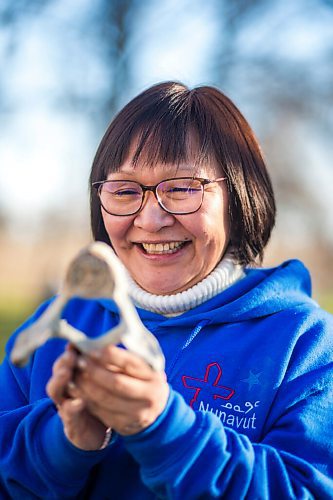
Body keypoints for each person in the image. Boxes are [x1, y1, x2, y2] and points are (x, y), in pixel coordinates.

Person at [0, 81, 332, 499]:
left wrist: (165, 429)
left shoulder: (307, 345)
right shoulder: (55, 326)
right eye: (124, 191)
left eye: (181, 189)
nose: (152, 219)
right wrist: (63, 441)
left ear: (239, 196)